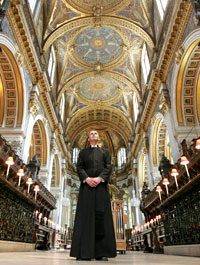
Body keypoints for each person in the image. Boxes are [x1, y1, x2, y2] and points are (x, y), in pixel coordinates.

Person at [70, 130, 117, 261]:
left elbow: (108, 167)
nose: (93, 135)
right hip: (86, 187)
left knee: (100, 217)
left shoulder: (105, 152)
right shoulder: (82, 153)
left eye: (96, 133)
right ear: (88, 139)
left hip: (101, 187)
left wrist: (99, 178)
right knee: (85, 216)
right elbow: (79, 167)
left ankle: (101, 253)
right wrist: (87, 179)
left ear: (99, 138)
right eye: (91, 134)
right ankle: (83, 252)